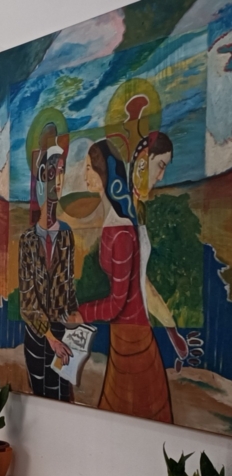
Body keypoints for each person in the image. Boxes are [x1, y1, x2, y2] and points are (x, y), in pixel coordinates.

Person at [73, 140, 172, 422]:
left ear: (104, 173)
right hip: (123, 335)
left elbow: (118, 302)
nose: (85, 175)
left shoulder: (121, 231)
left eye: (90, 168)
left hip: (133, 339)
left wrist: (82, 313)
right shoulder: (112, 223)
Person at [18, 137, 79, 402]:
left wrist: (77, 321)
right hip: (38, 337)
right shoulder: (28, 240)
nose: (59, 180)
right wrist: (50, 338)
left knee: (64, 397)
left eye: (62, 172)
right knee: (42, 399)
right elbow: (28, 302)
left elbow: (69, 289)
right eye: (53, 173)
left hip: (63, 336)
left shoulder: (66, 235)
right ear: (43, 177)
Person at [128, 132, 191, 367]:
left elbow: (141, 281)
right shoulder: (121, 212)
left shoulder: (139, 210)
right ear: (142, 162)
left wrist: (171, 329)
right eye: (161, 166)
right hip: (128, 330)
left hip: (140, 324)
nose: (161, 176)